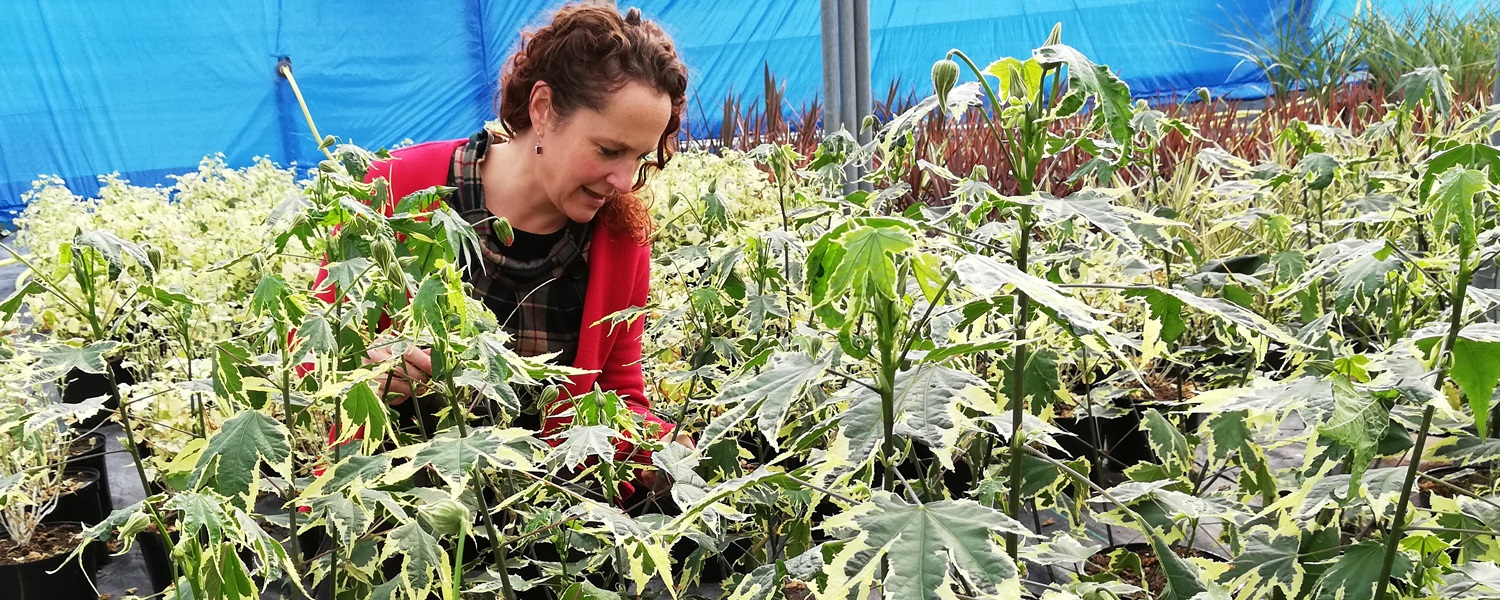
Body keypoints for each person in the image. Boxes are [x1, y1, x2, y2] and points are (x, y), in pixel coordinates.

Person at [314, 3, 693, 492]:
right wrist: (374, 365)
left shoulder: (619, 241)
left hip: (545, 521)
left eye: (640, 157)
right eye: (608, 150)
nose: (624, 181)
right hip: (390, 506)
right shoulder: (398, 186)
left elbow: (619, 395)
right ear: (543, 109)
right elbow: (314, 352)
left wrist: (670, 449)